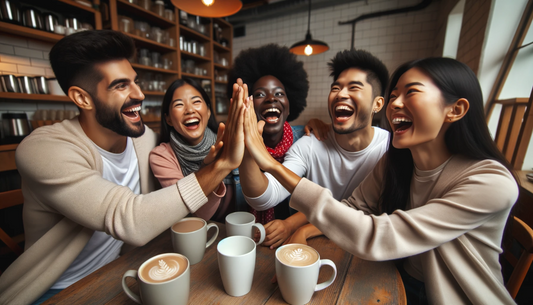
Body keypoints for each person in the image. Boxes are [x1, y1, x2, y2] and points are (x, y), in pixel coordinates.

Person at [243, 57, 518, 303]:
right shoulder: (397, 160)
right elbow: (353, 206)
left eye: (411, 92)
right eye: (395, 94)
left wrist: (271, 166)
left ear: (455, 110)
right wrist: (302, 229)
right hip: (396, 278)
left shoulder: (490, 182)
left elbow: (376, 236)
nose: (395, 103)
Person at [0, 30, 246, 305]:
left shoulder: (145, 142)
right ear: (82, 98)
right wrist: (222, 166)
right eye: (120, 85)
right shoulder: (44, 150)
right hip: (57, 289)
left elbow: (175, 204)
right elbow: (130, 219)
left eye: (135, 82)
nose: (139, 94)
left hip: (123, 269)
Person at [240, 49, 390, 248]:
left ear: (377, 104)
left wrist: (301, 228)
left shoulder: (391, 149)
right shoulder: (308, 144)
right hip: (316, 249)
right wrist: (248, 149)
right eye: (335, 88)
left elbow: (375, 216)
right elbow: (265, 197)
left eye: (354, 88)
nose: (341, 94)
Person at [227, 44, 309, 223]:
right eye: (259, 94)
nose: (271, 98)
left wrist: (291, 226)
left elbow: (319, 200)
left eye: (279, 93)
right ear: (248, 104)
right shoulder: (234, 148)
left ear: (290, 106)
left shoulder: (306, 139)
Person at [150, 78, 232, 222]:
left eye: (196, 102)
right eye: (179, 104)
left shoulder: (229, 141)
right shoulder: (161, 156)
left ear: (208, 111)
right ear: (168, 119)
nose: (189, 110)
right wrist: (210, 169)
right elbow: (198, 215)